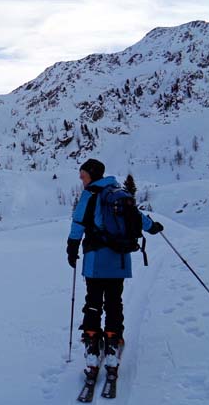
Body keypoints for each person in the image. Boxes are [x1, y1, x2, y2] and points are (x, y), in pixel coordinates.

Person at [66, 159, 163, 380]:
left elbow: (78, 223)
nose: (81, 179)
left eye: (83, 175)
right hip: (119, 259)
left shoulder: (91, 194)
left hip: (96, 260)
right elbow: (137, 217)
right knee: (114, 301)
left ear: (92, 174)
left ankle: (92, 344)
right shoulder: (119, 192)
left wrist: (71, 248)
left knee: (93, 302)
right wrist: (154, 227)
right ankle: (113, 341)